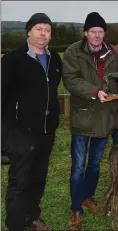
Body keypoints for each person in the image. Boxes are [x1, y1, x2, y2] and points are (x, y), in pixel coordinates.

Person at [62, 12, 118, 230]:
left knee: (94, 165)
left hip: (105, 119)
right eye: (93, 31)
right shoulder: (73, 52)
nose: (97, 35)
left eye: (101, 31)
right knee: (78, 166)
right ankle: (76, 209)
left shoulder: (113, 55)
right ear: (86, 32)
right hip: (83, 117)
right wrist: (95, 92)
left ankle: (88, 196)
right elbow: (70, 79)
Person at [1, 13, 62, 231]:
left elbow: (51, 91)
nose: (43, 34)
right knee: (19, 181)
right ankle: (16, 225)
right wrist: (3, 137)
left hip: (46, 131)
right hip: (21, 131)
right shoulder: (11, 60)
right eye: (39, 29)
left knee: (38, 178)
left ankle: (32, 218)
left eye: (47, 30)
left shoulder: (55, 59)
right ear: (28, 31)